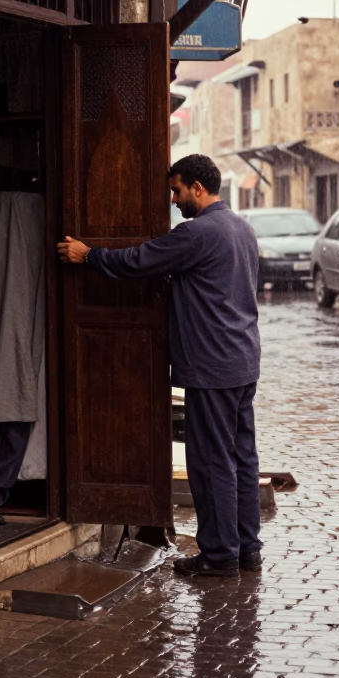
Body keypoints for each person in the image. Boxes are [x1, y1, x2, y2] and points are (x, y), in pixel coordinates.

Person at [57, 153, 262, 578]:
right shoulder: (242, 229)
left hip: (212, 364)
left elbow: (139, 261)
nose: (174, 199)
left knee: (211, 462)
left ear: (198, 189)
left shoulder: (196, 234)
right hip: (243, 360)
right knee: (242, 458)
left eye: (177, 190)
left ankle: (220, 556)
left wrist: (88, 255)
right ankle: (247, 549)